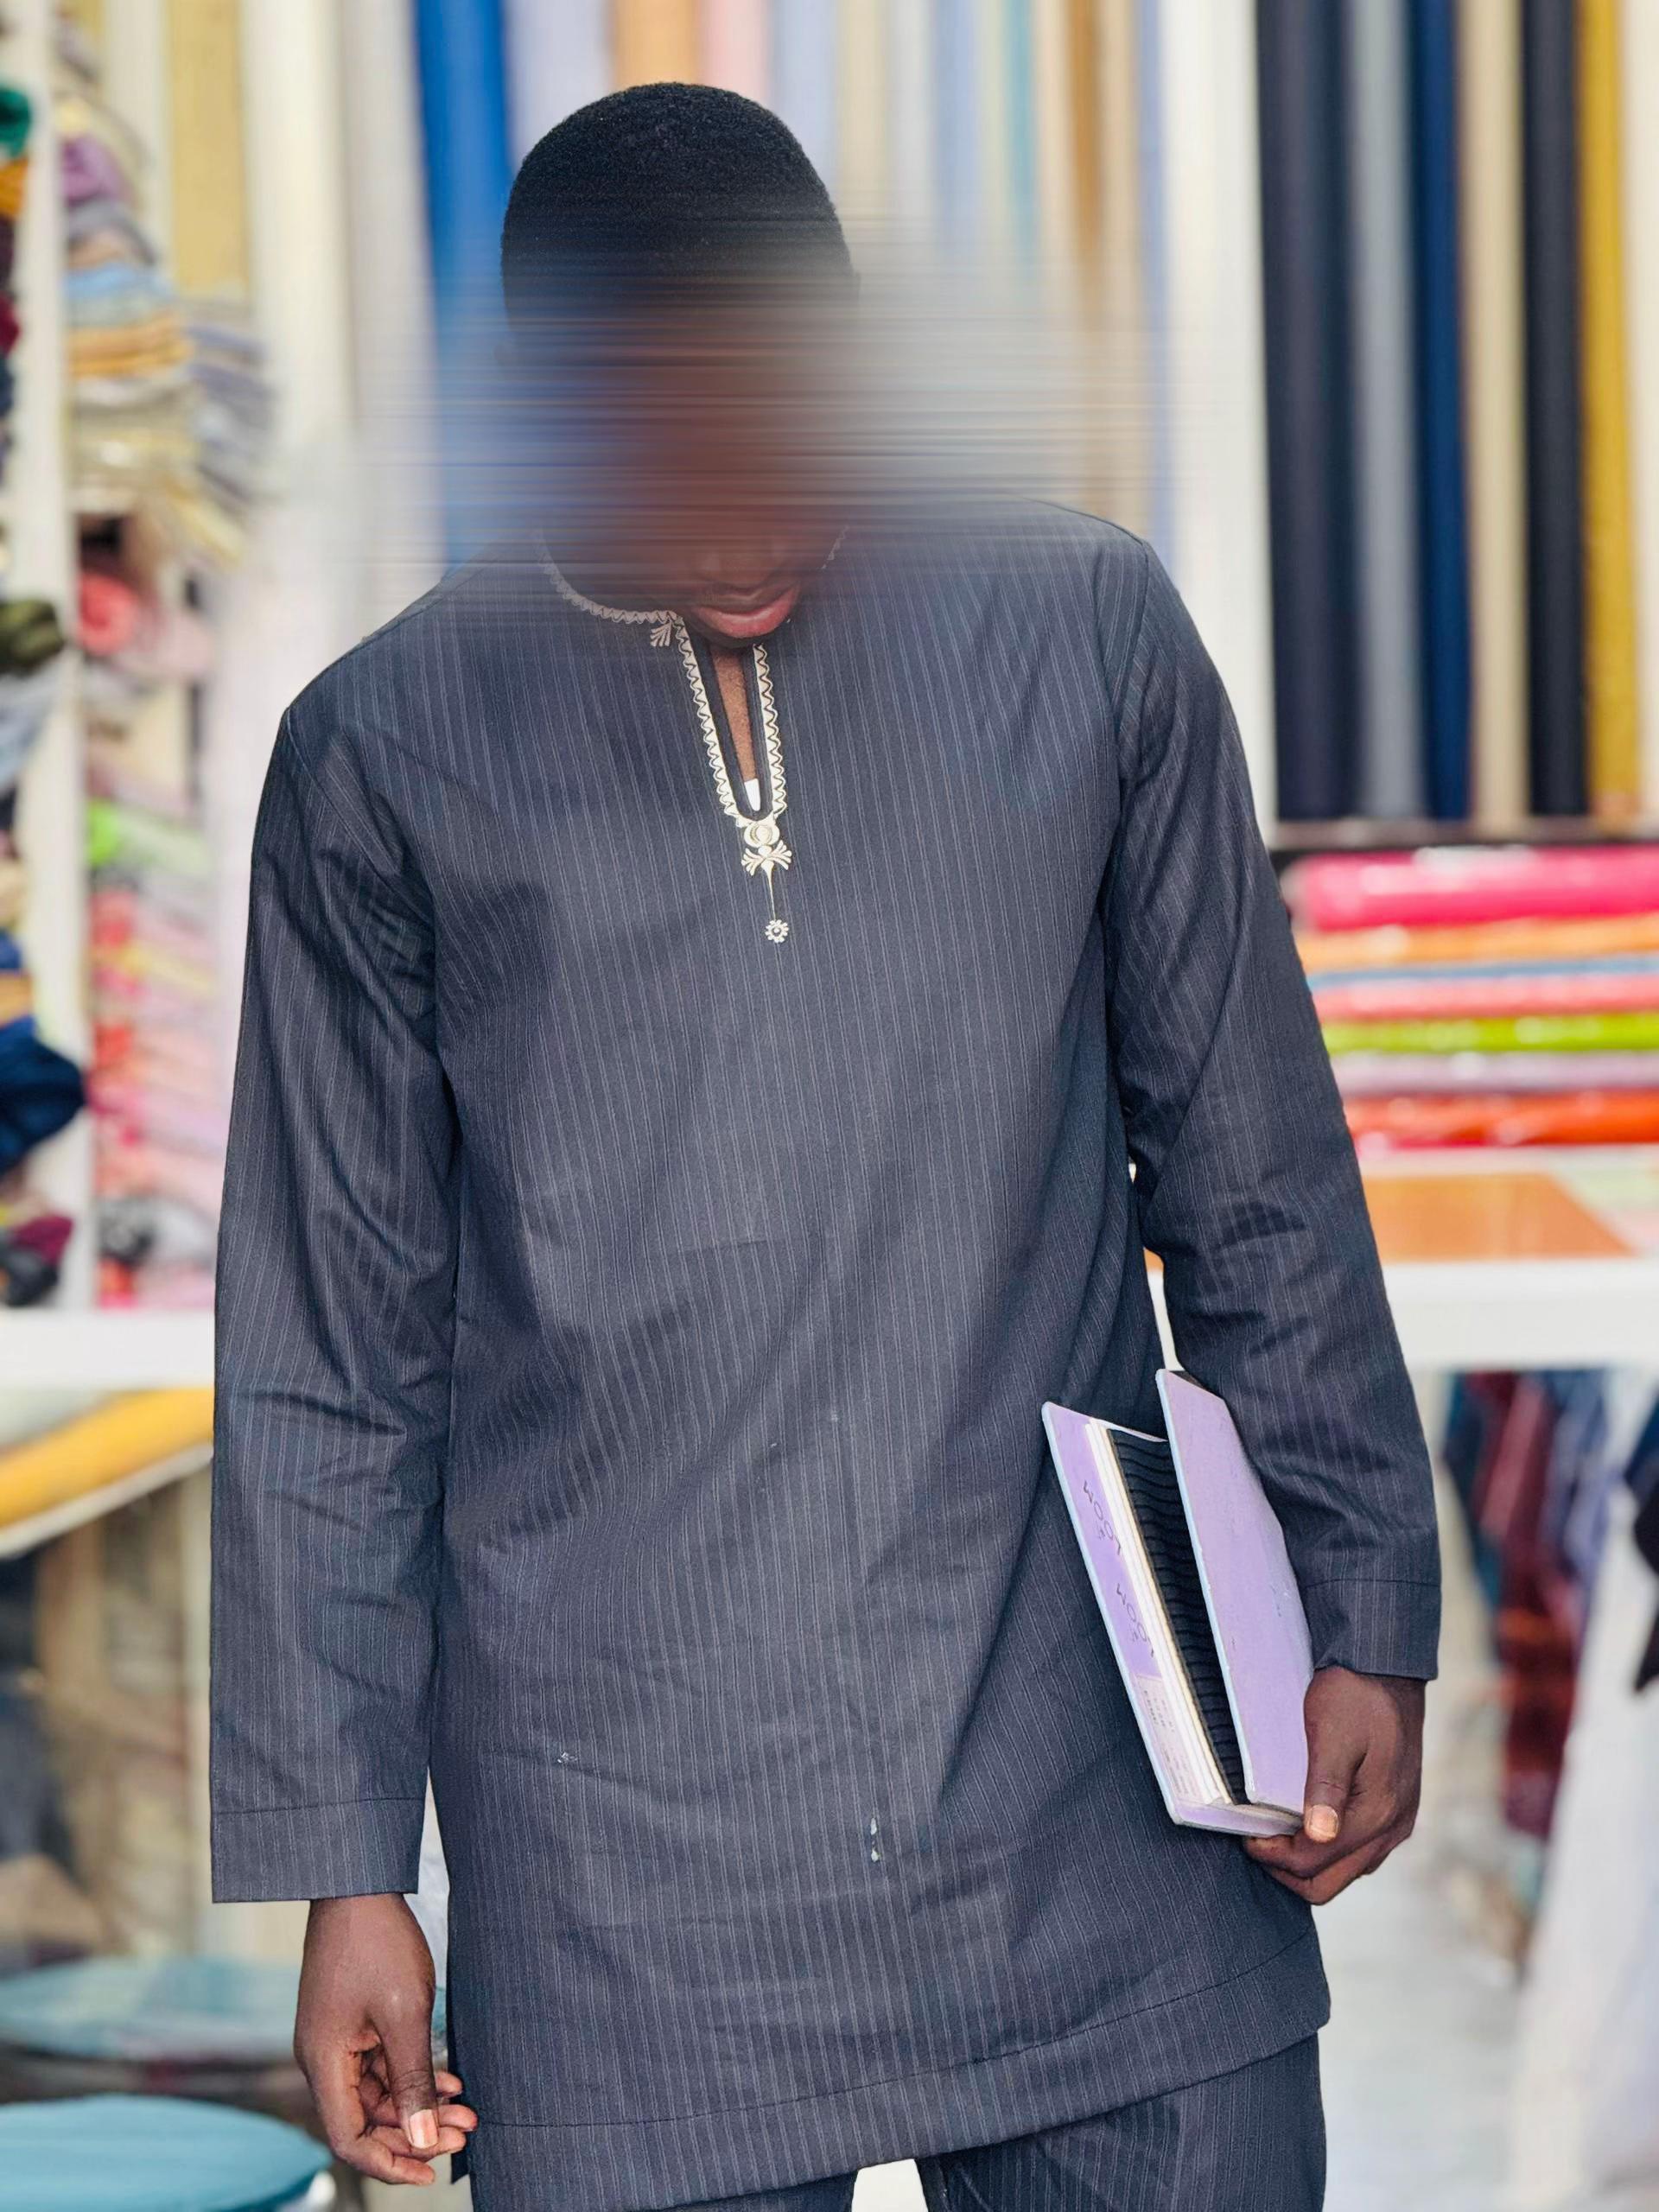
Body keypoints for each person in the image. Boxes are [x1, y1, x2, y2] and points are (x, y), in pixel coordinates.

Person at [211, 84, 1439, 2212]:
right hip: (623, 1870)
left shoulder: (1084, 630)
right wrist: (347, 1859)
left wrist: (1365, 1595)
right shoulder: (384, 758)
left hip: (1098, 1801)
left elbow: (1253, 1173)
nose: (747, 510)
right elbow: (334, 1350)